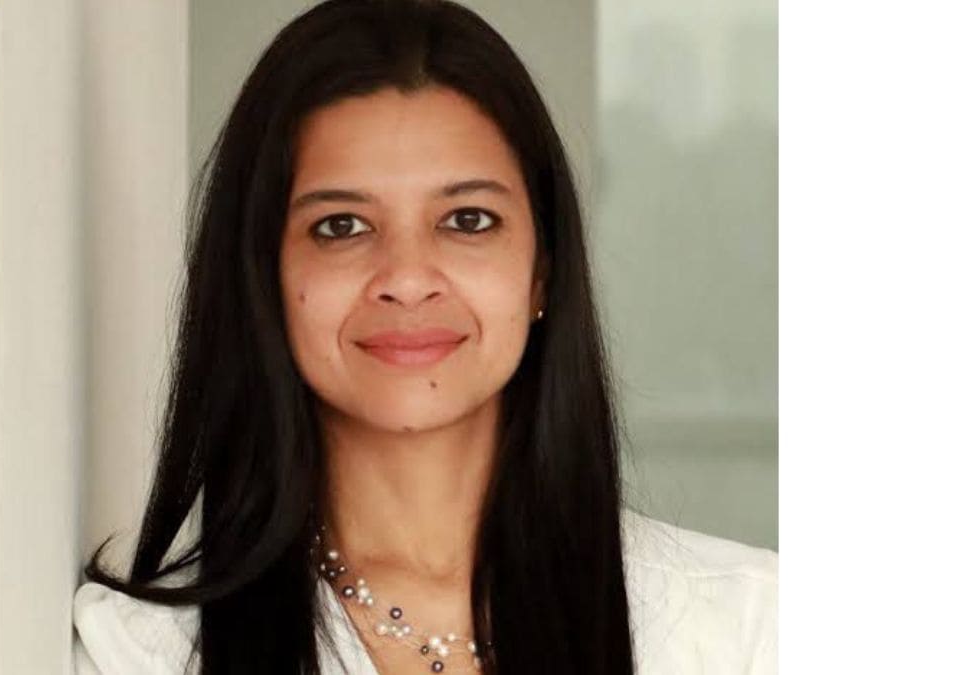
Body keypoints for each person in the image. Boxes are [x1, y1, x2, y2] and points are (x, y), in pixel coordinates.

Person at [72, 0, 777, 673]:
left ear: (542, 272)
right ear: (264, 276)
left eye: (467, 220)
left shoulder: (750, 625)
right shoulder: (142, 654)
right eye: (341, 226)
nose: (407, 279)